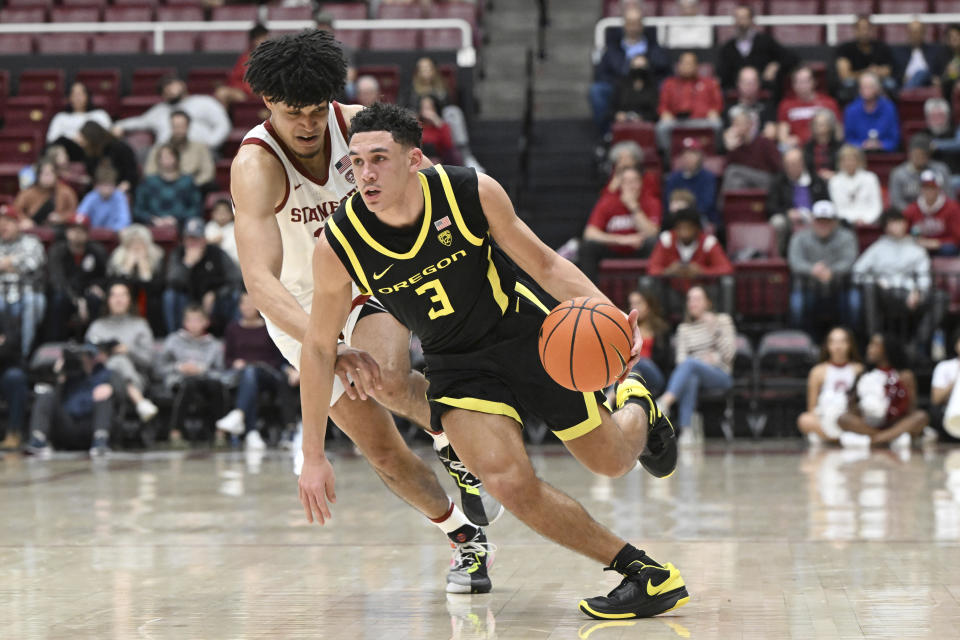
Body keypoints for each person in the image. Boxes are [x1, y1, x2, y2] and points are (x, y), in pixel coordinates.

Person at [307, 101, 688, 619]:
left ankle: (638, 404)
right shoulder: (339, 243)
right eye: (355, 161)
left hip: (525, 335)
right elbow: (317, 347)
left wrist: (611, 317)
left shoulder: (469, 191)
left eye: (379, 158)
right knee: (506, 481)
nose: (365, 174)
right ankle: (643, 573)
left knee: (613, 462)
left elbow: (546, 264)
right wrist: (312, 453)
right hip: (455, 363)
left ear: (414, 160)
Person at [230, 30, 503, 594]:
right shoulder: (256, 166)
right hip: (298, 306)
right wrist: (326, 343)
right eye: (290, 113)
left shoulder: (361, 130)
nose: (306, 125)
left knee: (386, 377)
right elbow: (259, 280)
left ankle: (462, 446)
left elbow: (427, 202)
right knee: (380, 449)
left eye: (314, 111)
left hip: (368, 280)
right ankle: (464, 539)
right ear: (266, 104)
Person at [853, 208, 944, 360]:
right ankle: (875, 340)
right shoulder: (877, 248)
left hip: (910, 294)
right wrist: (876, 281)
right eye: (894, 223)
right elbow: (857, 272)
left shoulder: (916, 248)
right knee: (870, 289)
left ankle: (915, 345)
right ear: (886, 227)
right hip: (886, 294)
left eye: (901, 222)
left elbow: (924, 276)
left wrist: (919, 291)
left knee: (941, 297)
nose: (899, 226)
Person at [215, 292, 298, 451]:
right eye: (244, 303)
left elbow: (279, 356)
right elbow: (228, 359)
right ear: (239, 306)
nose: (247, 307)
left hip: (269, 371)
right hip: (242, 374)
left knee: (253, 372)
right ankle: (250, 431)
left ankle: (243, 420)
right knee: (249, 375)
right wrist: (234, 363)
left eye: (251, 303)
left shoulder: (269, 326)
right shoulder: (232, 328)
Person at [656, 286, 734, 446]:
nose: (693, 303)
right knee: (691, 375)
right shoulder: (683, 329)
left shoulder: (722, 320)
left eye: (697, 299)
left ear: (707, 303)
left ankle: (665, 402)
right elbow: (680, 360)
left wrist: (714, 331)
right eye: (690, 299)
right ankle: (687, 431)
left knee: (691, 365)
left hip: (720, 374)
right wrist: (700, 361)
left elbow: (729, 354)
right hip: (693, 372)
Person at [85, 282, 159, 424]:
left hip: (136, 378)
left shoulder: (140, 325)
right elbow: (87, 359)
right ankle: (140, 402)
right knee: (116, 360)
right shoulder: (97, 326)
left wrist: (128, 351)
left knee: (119, 360)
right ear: (108, 300)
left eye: (122, 295)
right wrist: (102, 357)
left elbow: (149, 361)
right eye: (114, 295)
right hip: (101, 377)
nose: (118, 300)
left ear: (129, 300)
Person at [838, 333, 929, 449]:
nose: (869, 348)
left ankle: (877, 439)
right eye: (870, 344)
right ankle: (887, 438)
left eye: (875, 345)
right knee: (843, 418)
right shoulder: (864, 375)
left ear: (887, 349)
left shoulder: (904, 375)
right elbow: (853, 408)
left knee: (921, 416)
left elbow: (911, 409)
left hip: (896, 423)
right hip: (869, 424)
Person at [590, 5, 669, 135]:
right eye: (630, 22)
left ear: (642, 25)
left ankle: (655, 130)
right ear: (624, 25)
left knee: (666, 86)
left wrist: (646, 67)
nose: (633, 26)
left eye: (636, 22)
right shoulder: (612, 50)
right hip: (619, 86)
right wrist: (619, 81)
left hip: (648, 86)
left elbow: (665, 70)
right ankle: (607, 133)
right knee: (597, 90)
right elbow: (600, 74)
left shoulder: (654, 48)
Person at [25, 343, 116, 457]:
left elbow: (121, 386)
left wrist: (112, 387)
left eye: (87, 356)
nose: (84, 359)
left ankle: (101, 442)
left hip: (90, 426)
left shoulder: (105, 373)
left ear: (94, 358)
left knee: (104, 396)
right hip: (67, 424)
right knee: (45, 393)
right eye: (82, 356)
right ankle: (37, 441)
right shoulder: (69, 376)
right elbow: (51, 397)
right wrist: (58, 375)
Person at [787, 200, 860, 337]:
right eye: (819, 220)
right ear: (813, 221)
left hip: (840, 285)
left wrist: (831, 271)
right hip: (808, 286)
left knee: (854, 304)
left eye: (827, 221)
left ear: (835, 222)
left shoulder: (847, 236)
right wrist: (812, 270)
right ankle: (802, 342)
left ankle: (851, 340)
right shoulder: (799, 237)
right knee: (796, 306)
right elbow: (795, 262)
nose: (823, 225)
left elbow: (849, 260)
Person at [645, 206, 734, 317]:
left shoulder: (708, 242)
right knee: (649, 282)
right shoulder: (666, 239)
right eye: (680, 228)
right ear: (675, 228)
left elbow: (726, 268)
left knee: (726, 281)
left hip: (702, 292)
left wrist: (701, 271)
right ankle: (659, 328)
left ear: (697, 228)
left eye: (688, 228)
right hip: (673, 293)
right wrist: (669, 271)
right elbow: (652, 268)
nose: (684, 232)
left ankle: (726, 321)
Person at [157, 304, 226, 442]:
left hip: (206, 380)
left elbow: (222, 371)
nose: (194, 324)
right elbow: (159, 368)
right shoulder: (173, 340)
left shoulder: (214, 345)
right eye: (190, 320)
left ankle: (220, 432)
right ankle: (175, 432)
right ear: (184, 322)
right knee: (189, 384)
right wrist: (178, 367)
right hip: (179, 380)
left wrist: (203, 369)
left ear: (206, 322)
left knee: (217, 386)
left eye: (198, 320)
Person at [579, 166, 659, 282]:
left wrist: (633, 207)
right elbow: (589, 233)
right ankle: (591, 296)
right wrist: (623, 240)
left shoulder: (651, 201)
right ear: (620, 185)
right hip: (613, 248)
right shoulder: (607, 202)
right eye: (626, 182)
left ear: (641, 183)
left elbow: (652, 233)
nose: (631, 186)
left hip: (637, 249)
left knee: (653, 243)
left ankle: (649, 290)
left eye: (634, 181)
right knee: (588, 247)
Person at [163, 218, 241, 335]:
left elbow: (235, 279)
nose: (192, 243)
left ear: (204, 240)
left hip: (215, 301)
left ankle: (232, 336)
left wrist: (215, 294)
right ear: (184, 240)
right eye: (189, 239)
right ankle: (175, 337)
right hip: (187, 299)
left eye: (196, 239)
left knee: (235, 295)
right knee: (170, 296)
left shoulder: (217, 253)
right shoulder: (178, 253)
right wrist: (187, 265)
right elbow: (171, 281)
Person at [113, 75, 231, 150]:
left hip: (199, 151)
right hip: (166, 155)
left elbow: (223, 125)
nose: (168, 89)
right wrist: (119, 126)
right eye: (164, 89)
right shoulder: (159, 110)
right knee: (142, 154)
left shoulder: (204, 102)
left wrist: (211, 144)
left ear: (182, 85)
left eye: (171, 85)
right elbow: (139, 121)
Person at [45, 214, 109, 341]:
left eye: (81, 231)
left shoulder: (97, 251)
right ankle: (56, 342)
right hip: (66, 294)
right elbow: (57, 281)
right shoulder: (57, 251)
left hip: (88, 293)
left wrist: (97, 287)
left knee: (96, 299)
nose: (77, 234)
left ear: (88, 234)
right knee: (59, 299)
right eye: (74, 230)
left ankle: (95, 342)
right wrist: (77, 299)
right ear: (67, 232)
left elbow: (106, 276)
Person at [797, 327, 863, 446]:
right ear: (827, 346)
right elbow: (812, 408)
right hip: (825, 417)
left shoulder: (859, 369)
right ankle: (842, 439)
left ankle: (830, 438)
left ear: (850, 345)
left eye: (842, 341)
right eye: (834, 342)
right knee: (804, 420)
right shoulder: (817, 371)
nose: (838, 346)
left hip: (848, 417)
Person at [716, 4, 797, 97]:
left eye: (744, 18)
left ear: (751, 20)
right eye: (737, 18)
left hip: (764, 96)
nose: (740, 22)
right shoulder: (727, 47)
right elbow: (722, 74)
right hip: (738, 98)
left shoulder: (765, 41)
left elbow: (792, 58)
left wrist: (776, 65)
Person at [655, 51, 724, 154]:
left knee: (717, 124)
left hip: (702, 121)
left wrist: (714, 112)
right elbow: (662, 106)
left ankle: (716, 153)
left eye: (690, 63)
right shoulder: (669, 83)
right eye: (684, 63)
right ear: (678, 66)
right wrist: (665, 113)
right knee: (661, 127)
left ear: (697, 66)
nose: (686, 66)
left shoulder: (709, 83)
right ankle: (666, 159)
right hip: (677, 121)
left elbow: (718, 104)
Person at [766, 147, 830, 255]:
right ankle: (778, 257)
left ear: (802, 163)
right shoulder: (778, 182)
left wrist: (815, 214)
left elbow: (826, 203)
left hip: (814, 218)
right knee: (777, 222)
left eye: (795, 163)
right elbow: (770, 206)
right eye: (789, 164)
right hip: (789, 220)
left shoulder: (816, 181)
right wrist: (787, 212)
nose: (792, 167)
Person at [0, 206, 45, 356]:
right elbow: (24, 264)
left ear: (18, 224)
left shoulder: (31, 241)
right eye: (0, 222)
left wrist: (7, 263)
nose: (3, 225)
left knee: (33, 303)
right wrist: (17, 262)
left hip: (27, 290)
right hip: (1, 292)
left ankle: (25, 355)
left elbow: (33, 265)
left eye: (8, 221)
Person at [107, 224, 165, 335]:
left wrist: (145, 272)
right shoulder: (117, 257)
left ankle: (156, 335)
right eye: (133, 242)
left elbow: (157, 288)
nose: (136, 246)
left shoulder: (157, 256)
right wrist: (126, 269)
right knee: (120, 297)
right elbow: (113, 285)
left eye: (140, 242)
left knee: (154, 302)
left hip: (149, 297)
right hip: (127, 295)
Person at [134, 144, 204, 229]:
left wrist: (176, 219)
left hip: (182, 225)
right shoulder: (148, 182)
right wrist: (152, 219)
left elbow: (196, 208)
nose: (167, 159)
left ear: (177, 158)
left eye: (170, 156)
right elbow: (138, 210)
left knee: (195, 225)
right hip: (152, 224)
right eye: (163, 157)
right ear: (158, 160)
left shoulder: (187, 181)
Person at [143, 111, 215, 189]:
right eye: (175, 126)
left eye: (181, 126)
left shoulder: (200, 148)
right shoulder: (158, 148)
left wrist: (190, 184)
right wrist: (165, 184)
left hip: (192, 188)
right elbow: (149, 172)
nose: (178, 130)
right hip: (162, 189)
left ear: (188, 126)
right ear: (171, 126)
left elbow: (208, 172)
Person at [834, 15, 897, 101]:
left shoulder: (882, 47)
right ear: (855, 30)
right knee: (848, 83)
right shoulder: (845, 48)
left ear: (872, 30)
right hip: (856, 83)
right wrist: (867, 73)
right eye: (861, 29)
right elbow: (844, 75)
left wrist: (876, 73)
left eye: (867, 29)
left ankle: (886, 110)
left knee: (890, 83)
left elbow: (888, 71)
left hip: (878, 82)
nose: (865, 32)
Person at [776, 66, 841, 149]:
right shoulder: (785, 105)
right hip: (797, 149)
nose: (803, 85)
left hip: (825, 146)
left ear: (814, 82)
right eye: (799, 82)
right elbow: (783, 136)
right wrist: (789, 141)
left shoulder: (829, 103)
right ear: (793, 85)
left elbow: (838, 133)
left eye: (806, 81)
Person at [720, 106, 781, 193]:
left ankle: (724, 205)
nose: (735, 127)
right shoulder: (735, 145)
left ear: (750, 124)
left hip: (765, 180)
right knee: (737, 182)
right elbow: (726, 170)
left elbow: (777, 166)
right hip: (744, 181)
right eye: (734, 124)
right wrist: (730, 148)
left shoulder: (765, 142)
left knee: (733, 170)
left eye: (739, 123)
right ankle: (734, 205)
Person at [663, 137, 718, 230]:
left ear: (700, 156)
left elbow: (706, 204)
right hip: (675, 217)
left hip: (700, 217)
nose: (688, 157)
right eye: (685, 154)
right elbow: (668, 201)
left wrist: (685, 209)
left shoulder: (708, 177)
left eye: (692, 154)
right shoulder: (673, 178)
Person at [625, 288, 671, 398]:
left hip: (654, 375)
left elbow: (666, 360)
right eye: (632, 304)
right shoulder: (626, 329)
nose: (634, 307)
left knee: (637, 362)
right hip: (632, 373)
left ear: (648, 305)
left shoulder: (661, 329)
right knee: (633, 369)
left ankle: (608, 399)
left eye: (639, 303)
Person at [903, 169, 960, 256]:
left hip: (942, 247)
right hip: (919, 246)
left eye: (932, 187)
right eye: (925, 187)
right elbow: (903, 233)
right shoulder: (912, 209)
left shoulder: (952, 208)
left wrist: (938, 242)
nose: (929, 191)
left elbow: (957, 237)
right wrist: (918, 241)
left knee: (949, 249)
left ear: (939, 188)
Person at [890, 133, 952, 211]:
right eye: (916, 154)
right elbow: (896, 201)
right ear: (909, 154)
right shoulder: (898, 173)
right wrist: (915, 213)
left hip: (938, 214)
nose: (919, 158)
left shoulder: (941, 170)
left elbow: (949, 197)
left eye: (923, 155)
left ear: (929, 155)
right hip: (910, 216)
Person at [215, 23, 270, 108]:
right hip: (243, 93)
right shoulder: (244, 58)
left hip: (263, 94)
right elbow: (234, 79)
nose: (264, 41)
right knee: (221, 92)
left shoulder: (271, 59)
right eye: (261, 38)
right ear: (253, 40)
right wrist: (245, 90)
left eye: (265, 38)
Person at [75, 121, 139, 193]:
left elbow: (132, 174)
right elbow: (93, 176)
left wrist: (121, 188)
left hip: (121, 189)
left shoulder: (120, 148)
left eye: (85, 141)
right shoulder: (90, 153)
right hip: (101, 191)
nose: (84, 145)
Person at [842, 72, 900, 152]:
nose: (866, 90)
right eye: (864, 87)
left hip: (884, 155)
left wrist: (881, 145)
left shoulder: (889, 108)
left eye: (870, 87)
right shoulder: (851, 110)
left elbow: (894, 138)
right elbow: (848, 139)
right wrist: (862, 145)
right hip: (858, 154)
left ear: (878, 89)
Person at [13, 158, 78, 228]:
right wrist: (25, 220)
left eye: (50, 173)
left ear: (56, 174)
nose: (47, 177)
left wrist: (61, 218)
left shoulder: (66, 192)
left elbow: (74, 211)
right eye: (44, 173)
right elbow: (16, 210)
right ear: (38, 175)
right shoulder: (27, 193)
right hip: (33, 228)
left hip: (59, 229)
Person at [828, 145, 882, 225]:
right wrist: (852, 221)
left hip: (869, 222)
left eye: (852, 160)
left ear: (859, 161)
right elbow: (837, 208)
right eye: (845, 160)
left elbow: (876, 206)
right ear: (840, 162)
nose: (849, 163)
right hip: (844, 224)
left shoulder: (870, 178)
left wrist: (866, 220)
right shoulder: (835, 181)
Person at [46, 82, 112, 145]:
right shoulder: (60, 117)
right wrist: (74, 139)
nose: (77, 98)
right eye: (74, 95)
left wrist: (86, 140)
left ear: (87, 96)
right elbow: (51, 139)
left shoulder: (100, 114)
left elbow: (108, 136)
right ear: (69, 98)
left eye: (80, 94)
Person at [0, 311, 28, 449]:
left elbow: (11, 343)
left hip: (5, 369)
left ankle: (14, 432)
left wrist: (4, 344)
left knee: (15, 377)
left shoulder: (5, 317)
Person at [76, 164, 132, 232]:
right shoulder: (91, 196)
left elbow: (125, 220)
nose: (107, 189)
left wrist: (113, 231)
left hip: (114, 234)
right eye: (104, 185)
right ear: (96, 186)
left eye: (110, 185)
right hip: (92, 234)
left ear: (114, 185)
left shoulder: (120, 197)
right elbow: (81, 215)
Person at [724, 66, 776, 136]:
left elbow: (770, 133)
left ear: (759, 84)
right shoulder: (729, 109)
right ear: (738, 83)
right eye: (745, 82)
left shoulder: (767, 108)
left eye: (753, 82)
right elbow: (725, 135)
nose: (749, 85)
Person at [894, 20, 945, 89]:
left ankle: (905, 91)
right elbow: (895, 73)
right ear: (908, 33)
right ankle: (907, 90)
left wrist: (936, 78)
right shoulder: (899, 52)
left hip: (928, 83)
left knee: (922, 73)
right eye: (912, 32)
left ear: (923, 33)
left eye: (918, 32)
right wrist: (902, 78)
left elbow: (939, 70)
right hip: (907, 82)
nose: (915, 35)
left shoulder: (934, 51)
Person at [611, 54, 659, 124]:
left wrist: (642, 118)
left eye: (642, 67)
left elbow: (655, 112)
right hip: (622, 124)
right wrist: (618, 115)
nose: (639, 70)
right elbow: (611, 109)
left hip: (645, 125)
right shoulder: (621, 85)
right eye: (636, 66)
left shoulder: (652, 87)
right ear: (630, 67)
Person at [931, 329, 960, 435]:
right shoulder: (944, 366)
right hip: (948, 413)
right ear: (956, 344)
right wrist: (955, 381)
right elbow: (936, 399)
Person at [417, 95, 460, 165]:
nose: (426, 112)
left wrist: (437, 121)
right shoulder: (418, 124)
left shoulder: (441, 126)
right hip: (421, 159)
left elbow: (448, 146)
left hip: (439, 161)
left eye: (429, 108)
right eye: (424, 108)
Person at [803, 108, 843, 181]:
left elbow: (845, 169)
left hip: (836, 182)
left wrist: (835, 175)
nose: (818, 127)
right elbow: (806, 170)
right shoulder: (807, 147)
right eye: (816, 124)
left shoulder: (840, 147)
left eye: (822, 124)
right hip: (813, 184)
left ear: (830, 126)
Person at [204, 199, 239, 265]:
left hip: (232, 263)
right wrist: (212, 242)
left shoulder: (235, 227)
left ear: (232, 214)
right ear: (213, 214)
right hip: (213, 263)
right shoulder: (210, 226)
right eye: (219, 212)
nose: (222, 215)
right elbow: (203, 245)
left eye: (225, 212)